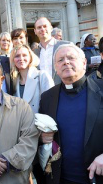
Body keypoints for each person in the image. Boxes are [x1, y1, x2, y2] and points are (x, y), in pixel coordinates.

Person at [36, 44, 103, 183]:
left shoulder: (101, 89)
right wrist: (42, 137)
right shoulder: (47, 97)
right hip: (61, 179)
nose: (66, 62)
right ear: (56, 68)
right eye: (60, 60)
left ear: (84, 63)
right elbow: (40, 137)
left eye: (71, 58)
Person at [10, 44, 54, 113]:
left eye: (24, 55)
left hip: (39, 122)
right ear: (13, 60)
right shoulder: (14, 81)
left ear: (30, 57)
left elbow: (51, 103)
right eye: (17, 56)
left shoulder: (42, 76)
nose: (21, 59)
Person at [33, 17, 70, 84]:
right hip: (42, 91)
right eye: (39, 27)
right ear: (35, 31)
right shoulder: (34, 53)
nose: (42, 29)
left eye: (45, 26)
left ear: (51, 28)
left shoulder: (66, 46)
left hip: (64, 90)